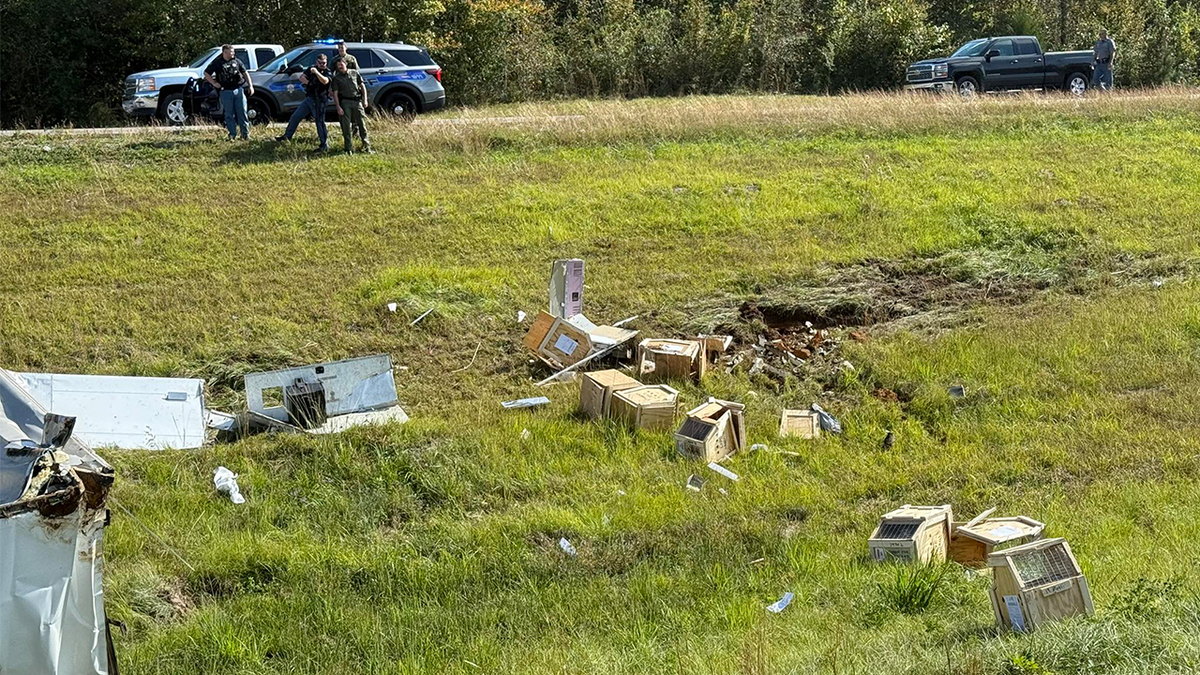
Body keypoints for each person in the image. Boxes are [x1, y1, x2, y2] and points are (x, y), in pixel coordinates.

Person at [275, 53, 332, 151]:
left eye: (324, 63)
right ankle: (287, 136)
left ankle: (324, 144)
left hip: (320, 100)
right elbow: (301, 77)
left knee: (319, 122)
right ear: (316, 62)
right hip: (310, 98)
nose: (322, 64)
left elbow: (325, 81)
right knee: (296, 116)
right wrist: (309, 83)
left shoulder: (327, 71)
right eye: (320, 63)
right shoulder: (311, 68)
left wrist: (317, 73)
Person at [204, 45, 254, 140]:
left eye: (233, 51)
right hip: (225, 91)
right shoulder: (218, 63)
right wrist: (214, 83)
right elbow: (206, 73)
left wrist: (250, 86)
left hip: (238, 89)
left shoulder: (237, 61)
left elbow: (245, 73)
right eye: (231, 52)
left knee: (242, 112)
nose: (233, 53)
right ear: (225, 52)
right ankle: (232, 134)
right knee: (229, 114)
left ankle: (245, 135)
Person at [331, 58, 371, 154]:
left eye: (341, 64)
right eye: (338, 65)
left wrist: (365, 100)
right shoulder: (336, 78)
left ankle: (366, 146)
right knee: (346, 126)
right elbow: (335, 94)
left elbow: (362, 86)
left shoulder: (354, 73)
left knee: (362, 124)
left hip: (357, 101)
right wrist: (338, 107)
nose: (340, 67)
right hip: (345, 102)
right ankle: (348, 148)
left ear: (346, 64)